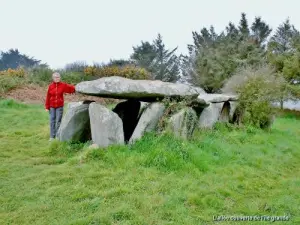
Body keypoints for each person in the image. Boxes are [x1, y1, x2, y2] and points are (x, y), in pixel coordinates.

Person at [45, 72, 76, 141]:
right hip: (52, 106)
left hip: (59, 106)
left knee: (58, 121)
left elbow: (70, 88)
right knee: (52, 121)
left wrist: (76, 88)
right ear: (53, 78)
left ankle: (57, 136)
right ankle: (52, 137)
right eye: (55, 77)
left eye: (58, 77)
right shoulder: (50, 86)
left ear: (60, 78)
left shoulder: (63, 85)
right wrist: (47, 107)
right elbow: (48, 97)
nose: (57, 78)